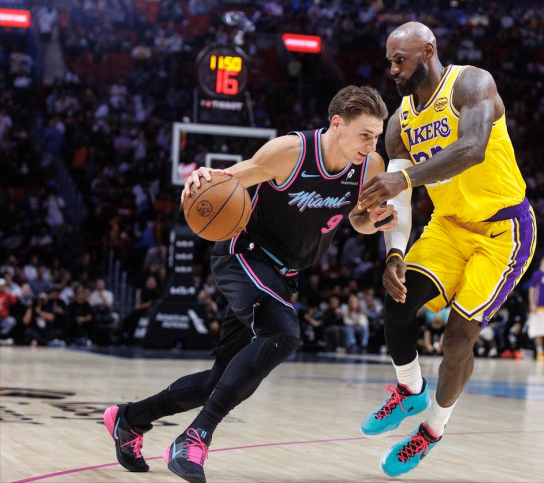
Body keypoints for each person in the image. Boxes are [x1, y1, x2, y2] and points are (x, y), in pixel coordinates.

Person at [103, 86, 397, 483]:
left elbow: (357, 218)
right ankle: (195, 437)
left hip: (283, 276)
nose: (372, 144)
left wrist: (374, 221)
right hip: (244, 255)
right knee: (283, 335)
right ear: (337, 124)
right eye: (365, 134)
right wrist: (204, 176)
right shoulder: (291, 152)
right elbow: (231, 177)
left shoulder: (370, 165)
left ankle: (129, 418)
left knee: (219, 381)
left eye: (376, 136)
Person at [356, 22, 536, 476]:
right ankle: (409, 389)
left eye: (400, 60)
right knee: (397, 301)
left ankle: (431, 430)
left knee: (456, 338)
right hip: (448, 227)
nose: (393, 69)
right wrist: (395, 253)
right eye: (390, 62)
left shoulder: (471, 83)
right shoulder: (399, 123)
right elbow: (398, 199)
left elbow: (473, 148)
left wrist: (404, 177)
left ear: (428, 50)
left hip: (502, 232)